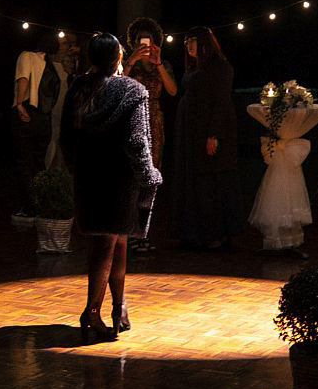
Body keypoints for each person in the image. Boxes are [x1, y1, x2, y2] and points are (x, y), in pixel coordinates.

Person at [60, 33, 161, 342]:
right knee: (109, 242)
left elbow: (66, 135)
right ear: (118, 57)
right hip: (119, 176)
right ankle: (91, 312)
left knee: (114, 241)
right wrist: (149, 174)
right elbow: (137, 140)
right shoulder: (132, 90)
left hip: (89, 173)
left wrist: (75, 166)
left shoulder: (78, 87)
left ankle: (119, 307)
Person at [172, 27, 243, 249]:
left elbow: (222, 103)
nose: (189, 46)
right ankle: (194, 234)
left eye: (193, 41)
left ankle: (215, 235)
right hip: (191, 131)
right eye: (186, 42)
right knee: (194, 181)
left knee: (210, 183)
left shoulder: (220, 67)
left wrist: (213, 134)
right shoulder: (195, 67)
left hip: (206, 130)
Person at [124, 17, 178, 253]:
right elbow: (117, 85)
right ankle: (129, 233)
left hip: (154, 123)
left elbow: (173, 90)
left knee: (150, 179)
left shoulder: (161, 64)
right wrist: (131, 61)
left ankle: (142, 232)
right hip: (133, 121)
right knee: (132, 178)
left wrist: (158, 64)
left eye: (148, 41)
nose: (144, 45)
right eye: (140, 41)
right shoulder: (129, 64)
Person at [11, 32, 63, 223]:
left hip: (28, 113)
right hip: (44, 119)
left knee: (24, 162)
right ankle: (40, 205)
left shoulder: (27, 56)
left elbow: (23, 78)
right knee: (39, 163)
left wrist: (19, 104)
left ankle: (29, 207)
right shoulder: (51, 65)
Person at [45, 34, 81, 170]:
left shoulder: (70, 66)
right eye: (62, 44)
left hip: (67, 107)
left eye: (65, 44)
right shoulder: (49, 66)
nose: (64, 47)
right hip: (55, 108)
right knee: (54, 137)